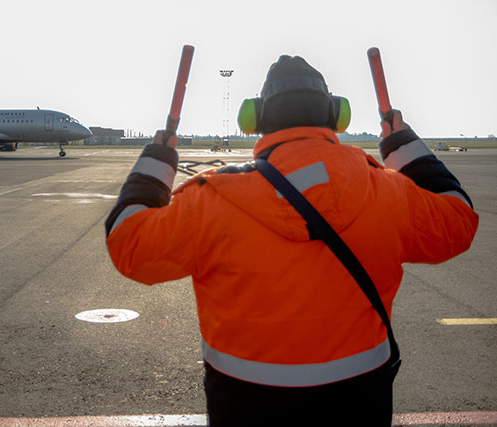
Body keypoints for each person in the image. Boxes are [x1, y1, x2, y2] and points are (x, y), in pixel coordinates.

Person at [104, 55, 478, 426]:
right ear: (336, 115)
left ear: (254, 120)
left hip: (246, 403)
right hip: (359, 400)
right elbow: (458, 221)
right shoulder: (388, 190)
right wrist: (403, 145)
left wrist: (157, 160)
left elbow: (129, 245)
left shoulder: (212, 198)